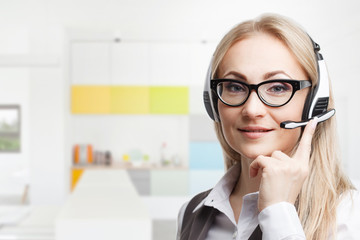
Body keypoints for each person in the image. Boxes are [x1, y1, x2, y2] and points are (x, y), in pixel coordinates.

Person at [176, 13, 359, 240]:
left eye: (278, 87)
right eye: (234, 86)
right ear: (213, 101)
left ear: (314, 102)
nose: (252, 110)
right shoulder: (190, 213)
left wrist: (278, 212)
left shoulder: (348, 216)